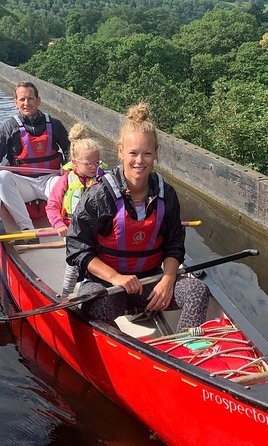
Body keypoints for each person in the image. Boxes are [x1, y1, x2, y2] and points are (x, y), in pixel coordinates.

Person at [66, 103, 210, 332]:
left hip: (151, 285)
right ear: (121, 151)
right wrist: (115, 277)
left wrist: (168, 279)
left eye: (147, 153)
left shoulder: (167, 194)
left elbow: (174, 245)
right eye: (133, 153)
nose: (139, 161)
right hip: (109, 286)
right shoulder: (98, 195)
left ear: (156, 154)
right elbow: (77, 249)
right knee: (91, 305)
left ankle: (186, 347)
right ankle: (124, 349)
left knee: (198, 292)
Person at [0, 82, 70, 231]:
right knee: (2, 177)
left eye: (30, 98)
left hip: (50, 180)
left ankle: (69, 227)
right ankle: (27, 230)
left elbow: (70, 150)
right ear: (16, 102)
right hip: (23, 184)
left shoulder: (55, 124)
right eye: (22, 99)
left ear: (38, 100)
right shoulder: (9, 127)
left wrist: (69, 166)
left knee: (73, 180)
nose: (26, 103)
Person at [46, 123, 105, 297]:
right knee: (73, 266)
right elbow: (52, 206)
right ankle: (66, 294)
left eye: (97, 162)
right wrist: (58, 225)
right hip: (73, 231)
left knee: (101, 259)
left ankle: (97, 286)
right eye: (89, 164)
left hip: (96, 231)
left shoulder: (103, 180)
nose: (94, 167)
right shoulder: (65, 180)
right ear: (75, 163)